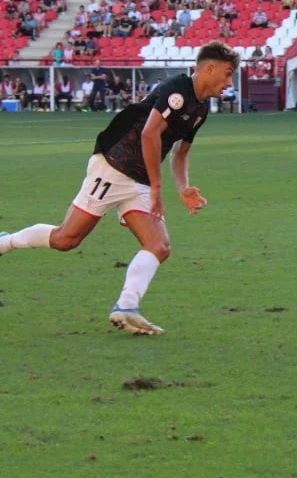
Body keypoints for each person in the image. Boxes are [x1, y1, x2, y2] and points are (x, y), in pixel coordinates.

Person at [0, 42, 240, 335]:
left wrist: (184, 188)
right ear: (209, 68)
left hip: (140, 179)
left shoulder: (201, 109)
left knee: (159, 246)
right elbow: (149, 133)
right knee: (66, 239)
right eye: (228, 74)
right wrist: (157, 186)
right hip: (113, 166)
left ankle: (126, 306)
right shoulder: (177, 89)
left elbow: (180, 153)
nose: (230, 82)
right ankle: (6, 242)